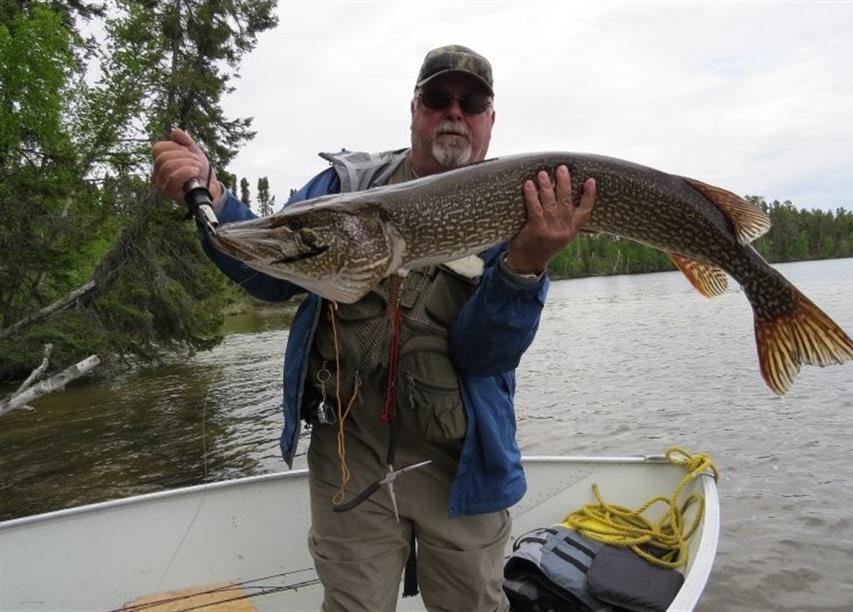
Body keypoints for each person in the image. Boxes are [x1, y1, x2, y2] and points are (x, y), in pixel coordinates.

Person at [152, 44, 596, 612]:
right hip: (349, 446)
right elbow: (271, 276)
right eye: (439, 98)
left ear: (489, 118)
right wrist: (214, 198)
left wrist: (525, 265)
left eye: (471, 101)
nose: (453, 112)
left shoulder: (526, 205)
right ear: (415, 109)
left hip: (461, 458)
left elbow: (484, 355)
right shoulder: (345, 188)